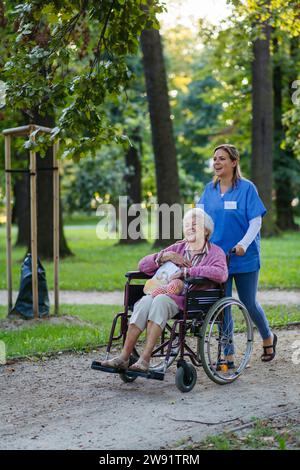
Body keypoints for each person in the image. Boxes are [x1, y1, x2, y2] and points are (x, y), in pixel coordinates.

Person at [100, 207, 228, 372]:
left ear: (206, 230)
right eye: (187, 224)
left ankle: (145, 359)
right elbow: (142, 265)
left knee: (159, 301)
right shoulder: (178, 248)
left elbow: (221, 274)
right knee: (145, 301)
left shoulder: (215, 252)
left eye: (195, 224)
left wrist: (187, 272)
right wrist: (162, 257)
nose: (190, 228)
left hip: (191, 300)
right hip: (164, 294)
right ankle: (124, 357)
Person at [198, 144, 277, 363]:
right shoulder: (209, 190)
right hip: (216, 258)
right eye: (214, 159)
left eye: (222, 159)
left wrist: (242, 244)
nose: (216, 163)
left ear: (234, 162)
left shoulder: (247, 188)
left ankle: (267, 336)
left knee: (248, 302)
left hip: (243, 256)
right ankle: (228, 354)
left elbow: (256, 221)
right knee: (223, 305)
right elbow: (199, 219)